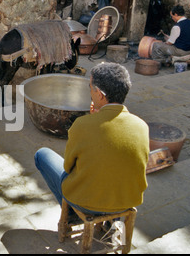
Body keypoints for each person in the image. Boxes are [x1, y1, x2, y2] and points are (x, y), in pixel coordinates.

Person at [35, 62, 149, 216]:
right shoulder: (141, 126)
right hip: (127, 201)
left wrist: (92, 122)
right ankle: (111, 221)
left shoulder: (82, 125)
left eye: (90, 88)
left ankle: (71, 215)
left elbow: (68, 167)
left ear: (100, 94)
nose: (90, 92)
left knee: (42, 155)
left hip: (86, 202)